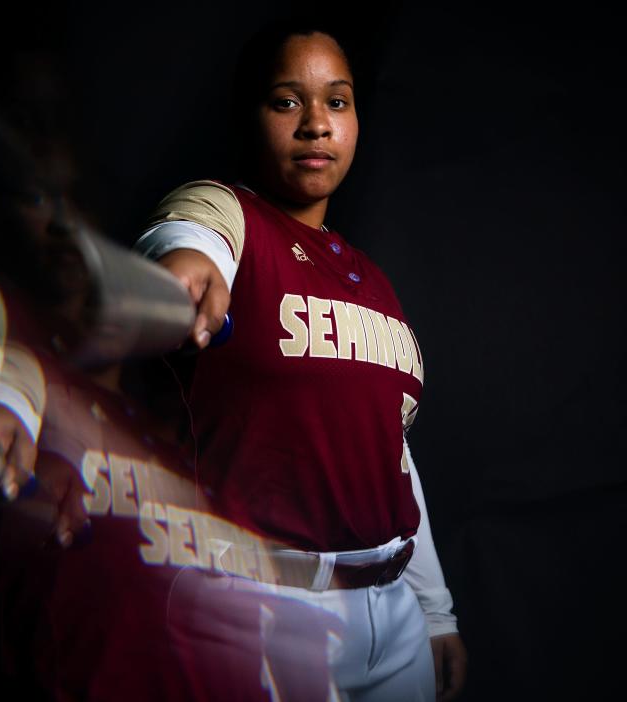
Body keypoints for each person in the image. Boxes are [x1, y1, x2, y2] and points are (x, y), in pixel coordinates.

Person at [134, 20, 468, 701]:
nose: (316, 123)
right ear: (249, 116)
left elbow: (391, 455)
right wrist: (185, 271)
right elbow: (188, 238)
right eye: (287, 100)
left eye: (336, 101)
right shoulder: (231, 214)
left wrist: (435, 613)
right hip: (259, 608)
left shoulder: (371, 280)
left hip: (390, 609)